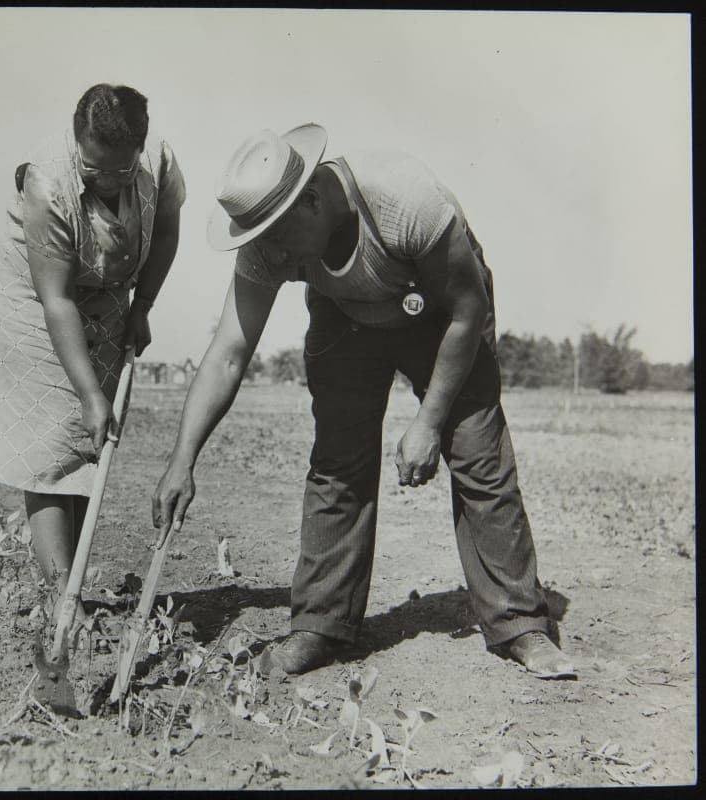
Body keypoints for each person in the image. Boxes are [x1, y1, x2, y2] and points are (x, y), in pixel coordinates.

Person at [152, 124, 574, 679]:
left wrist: (427, 422)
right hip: (347, 319)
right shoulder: (267, 244)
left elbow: (467, 312)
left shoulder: (406, 202)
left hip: (440, 315)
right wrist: (183, 458)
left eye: (276, 235)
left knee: (478, 453)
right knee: (337, 460)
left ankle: (520, 624)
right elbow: (230, 352)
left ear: (310, 200)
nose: (270, 252)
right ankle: (321, 624)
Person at [0, 84, 185, 632]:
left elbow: (164, 233)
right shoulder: (48, 182)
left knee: (87, 441)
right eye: (90, 166)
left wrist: (144, 306)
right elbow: (57, 298)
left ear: (138, 150)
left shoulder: (158, 160)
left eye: (116, 171)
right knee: (49, 440)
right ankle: (62, 600)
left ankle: (69, 582)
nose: (100, 179)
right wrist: (91, 394)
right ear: (77, 140)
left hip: (109, 293)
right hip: (37, 299)